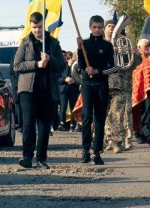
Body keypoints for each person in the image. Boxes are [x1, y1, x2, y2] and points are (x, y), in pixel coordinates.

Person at [13, 12, 66, 168]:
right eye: (34, 27)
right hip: (28, 91)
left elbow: (62, 66)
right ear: (31, 26)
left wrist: (50, 60)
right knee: (28, 124)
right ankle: (27, 157)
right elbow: (17, 66)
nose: (37, 30)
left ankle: (41, 158)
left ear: (44, 25)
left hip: (48, 90)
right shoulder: (25, 42)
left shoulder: (53, 43)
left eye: (40, 27)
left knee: (44, 126)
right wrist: (36, 64)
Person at [77, 15, 117, 165]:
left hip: (101, 85)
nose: (97, 30)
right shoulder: (84, 43)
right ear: (90, 27)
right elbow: (81, 65)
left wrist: (98, 71)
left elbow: (114, 68)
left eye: (100, 27)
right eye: (94, 27)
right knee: (87, 118)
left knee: (100, 119)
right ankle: (85, 150)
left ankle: (97, 152)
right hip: (87, 85)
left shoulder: (107, 46)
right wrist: (80, 48)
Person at [105, 19, 135, 154]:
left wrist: (133, 54)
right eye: (110, 26)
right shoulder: (101, 44)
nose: (112, 29)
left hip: (121, 84)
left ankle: (117, 142)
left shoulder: (123, 43)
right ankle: (107, 139)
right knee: (105, 115)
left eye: (114, 26)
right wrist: (109, 52)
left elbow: (132, 64)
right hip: (104, 83)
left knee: (118, 114)